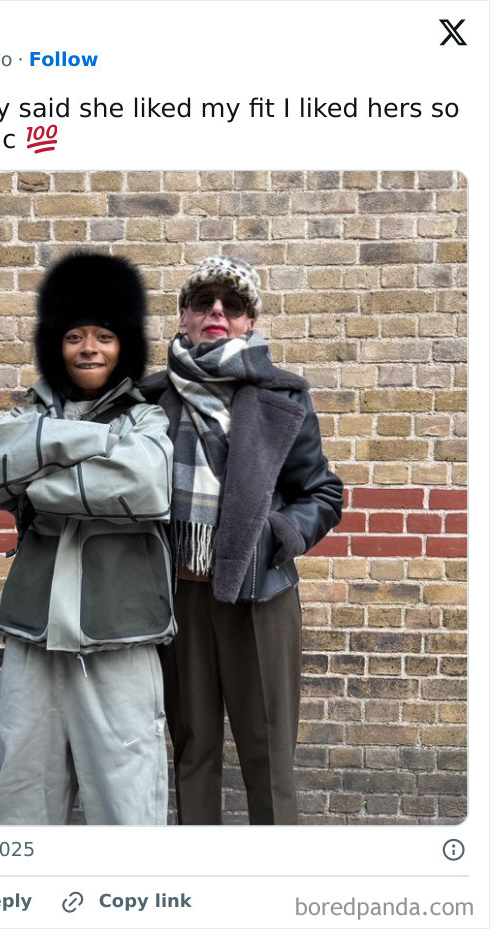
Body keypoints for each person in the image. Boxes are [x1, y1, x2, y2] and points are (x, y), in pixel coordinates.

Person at [141, 255, 344, 825]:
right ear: (183, 316)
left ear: (249, 321)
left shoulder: (282, 398)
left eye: (232, 306)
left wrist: (278, 534)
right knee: (193, 746)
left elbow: (323, 494)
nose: (216, 313)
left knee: (268, 752)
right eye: (203, 302)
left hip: (261, 597)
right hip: (177, 597)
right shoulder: (148, 401)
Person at [0, 253, 176, 825]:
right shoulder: (24, 414)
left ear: (125, 346)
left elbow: (145, 484)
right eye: (74, 335)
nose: (89, 347)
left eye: (105, 335)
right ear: (55, 345)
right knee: (23, 789)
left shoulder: (146, 420)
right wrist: (92, 447)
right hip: (33, 628)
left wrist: (38, 483)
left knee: (127, 792)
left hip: (120, 630)